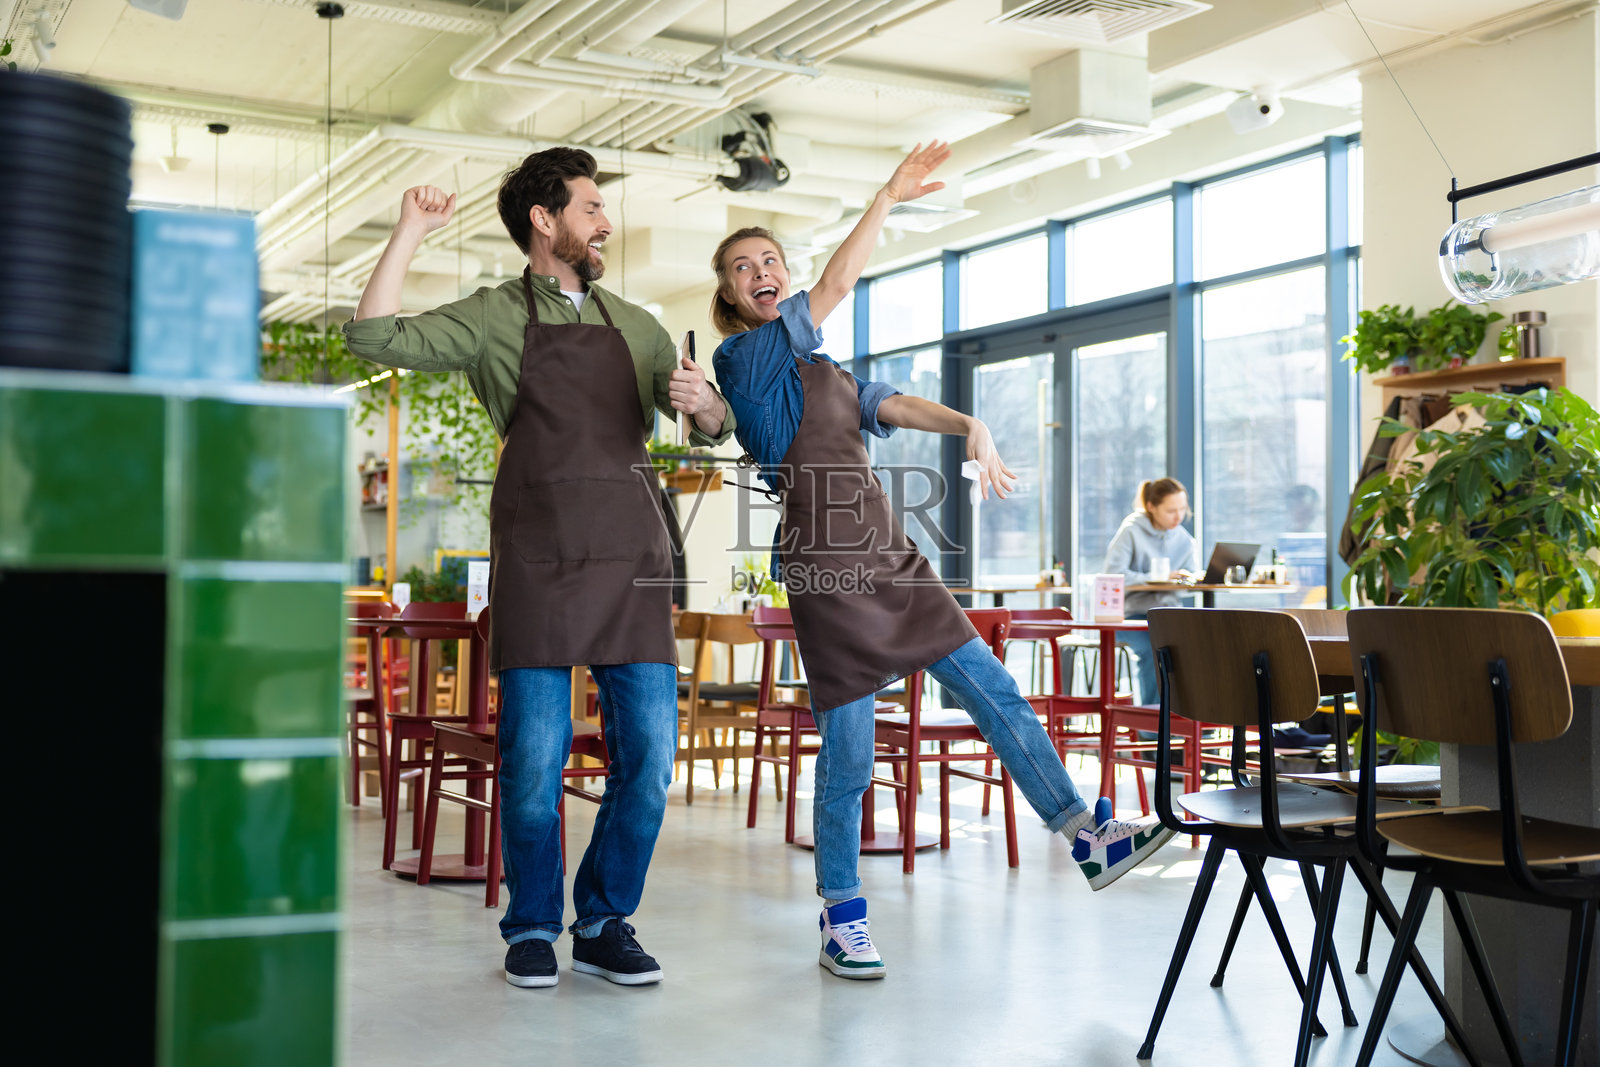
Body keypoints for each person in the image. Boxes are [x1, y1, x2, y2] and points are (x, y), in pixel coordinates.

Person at [709, 142, 1176, 982]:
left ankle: (1087, 837)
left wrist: (970, 426)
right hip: (828, 571)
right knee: (850, 755)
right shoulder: (744, 361)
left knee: (995, 691)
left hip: (889, 557)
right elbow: (840, 285)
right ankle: (842, 916)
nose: (760, 271)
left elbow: (888, 402)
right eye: (744, 267)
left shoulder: (822, 362)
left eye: (770, 259)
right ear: (730, 295)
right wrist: (888, 192)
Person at [344, 149, 736, 990]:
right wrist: (409, 228)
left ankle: (601, 918)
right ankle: (530, 925)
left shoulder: (635, 324)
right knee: (531, 763)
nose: (605, 222)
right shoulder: (492, 316)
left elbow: (709, 424)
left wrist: (706, 406)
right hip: (538, 558)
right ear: (545, 221)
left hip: (633, 560)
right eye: (591, 207)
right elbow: (372, 335)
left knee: (652, 759)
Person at [1103, 477, 1197, 705]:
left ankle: (1195, 725)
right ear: (1151, 507)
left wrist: (1185, 580)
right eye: (1171, 510)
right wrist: (1157, 579)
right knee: (1154, 651)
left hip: (1170, 615)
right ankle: (1153, 728)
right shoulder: (1131, 531)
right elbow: (1113, 576)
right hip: (1132, 617)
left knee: (1199, 647)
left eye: (1182, 509)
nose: (1179, 517)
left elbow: (1190, 582)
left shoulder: (1184, 539)